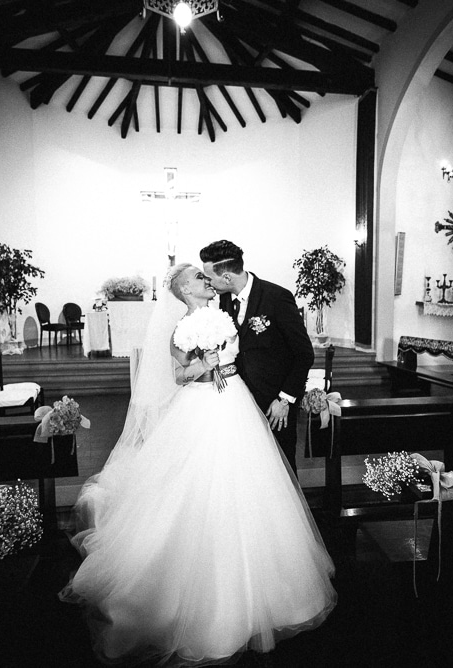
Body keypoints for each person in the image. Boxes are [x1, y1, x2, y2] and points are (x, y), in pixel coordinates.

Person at [61, 263, 336, 667]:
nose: (206, 282)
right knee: (196, 488)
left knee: (250, 485)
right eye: (198, 279)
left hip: (236, 403)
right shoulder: (179, 330)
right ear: (183, 290)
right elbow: (178, 376)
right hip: (201, 406)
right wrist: (203, 364)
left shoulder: (224, 315)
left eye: (206, 278)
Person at [199, 240, 314, 473]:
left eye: (209, 278)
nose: (207, 283)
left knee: (281, 469)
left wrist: (285, 400)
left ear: (228, 277)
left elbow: (304, 354)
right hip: (241, 401)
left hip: (275, 402)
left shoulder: (276, 297)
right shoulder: (222, 301)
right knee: (249, 468)